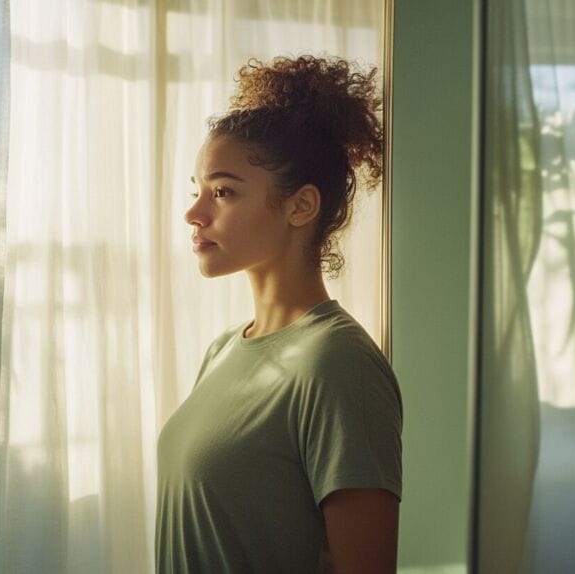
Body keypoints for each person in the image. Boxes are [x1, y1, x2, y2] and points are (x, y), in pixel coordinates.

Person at [156, 55, 402, 574]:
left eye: (222, 191)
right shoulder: (223, 350)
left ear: (300, 207)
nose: (194, 212)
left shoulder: (338, 364)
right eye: (197, 190)